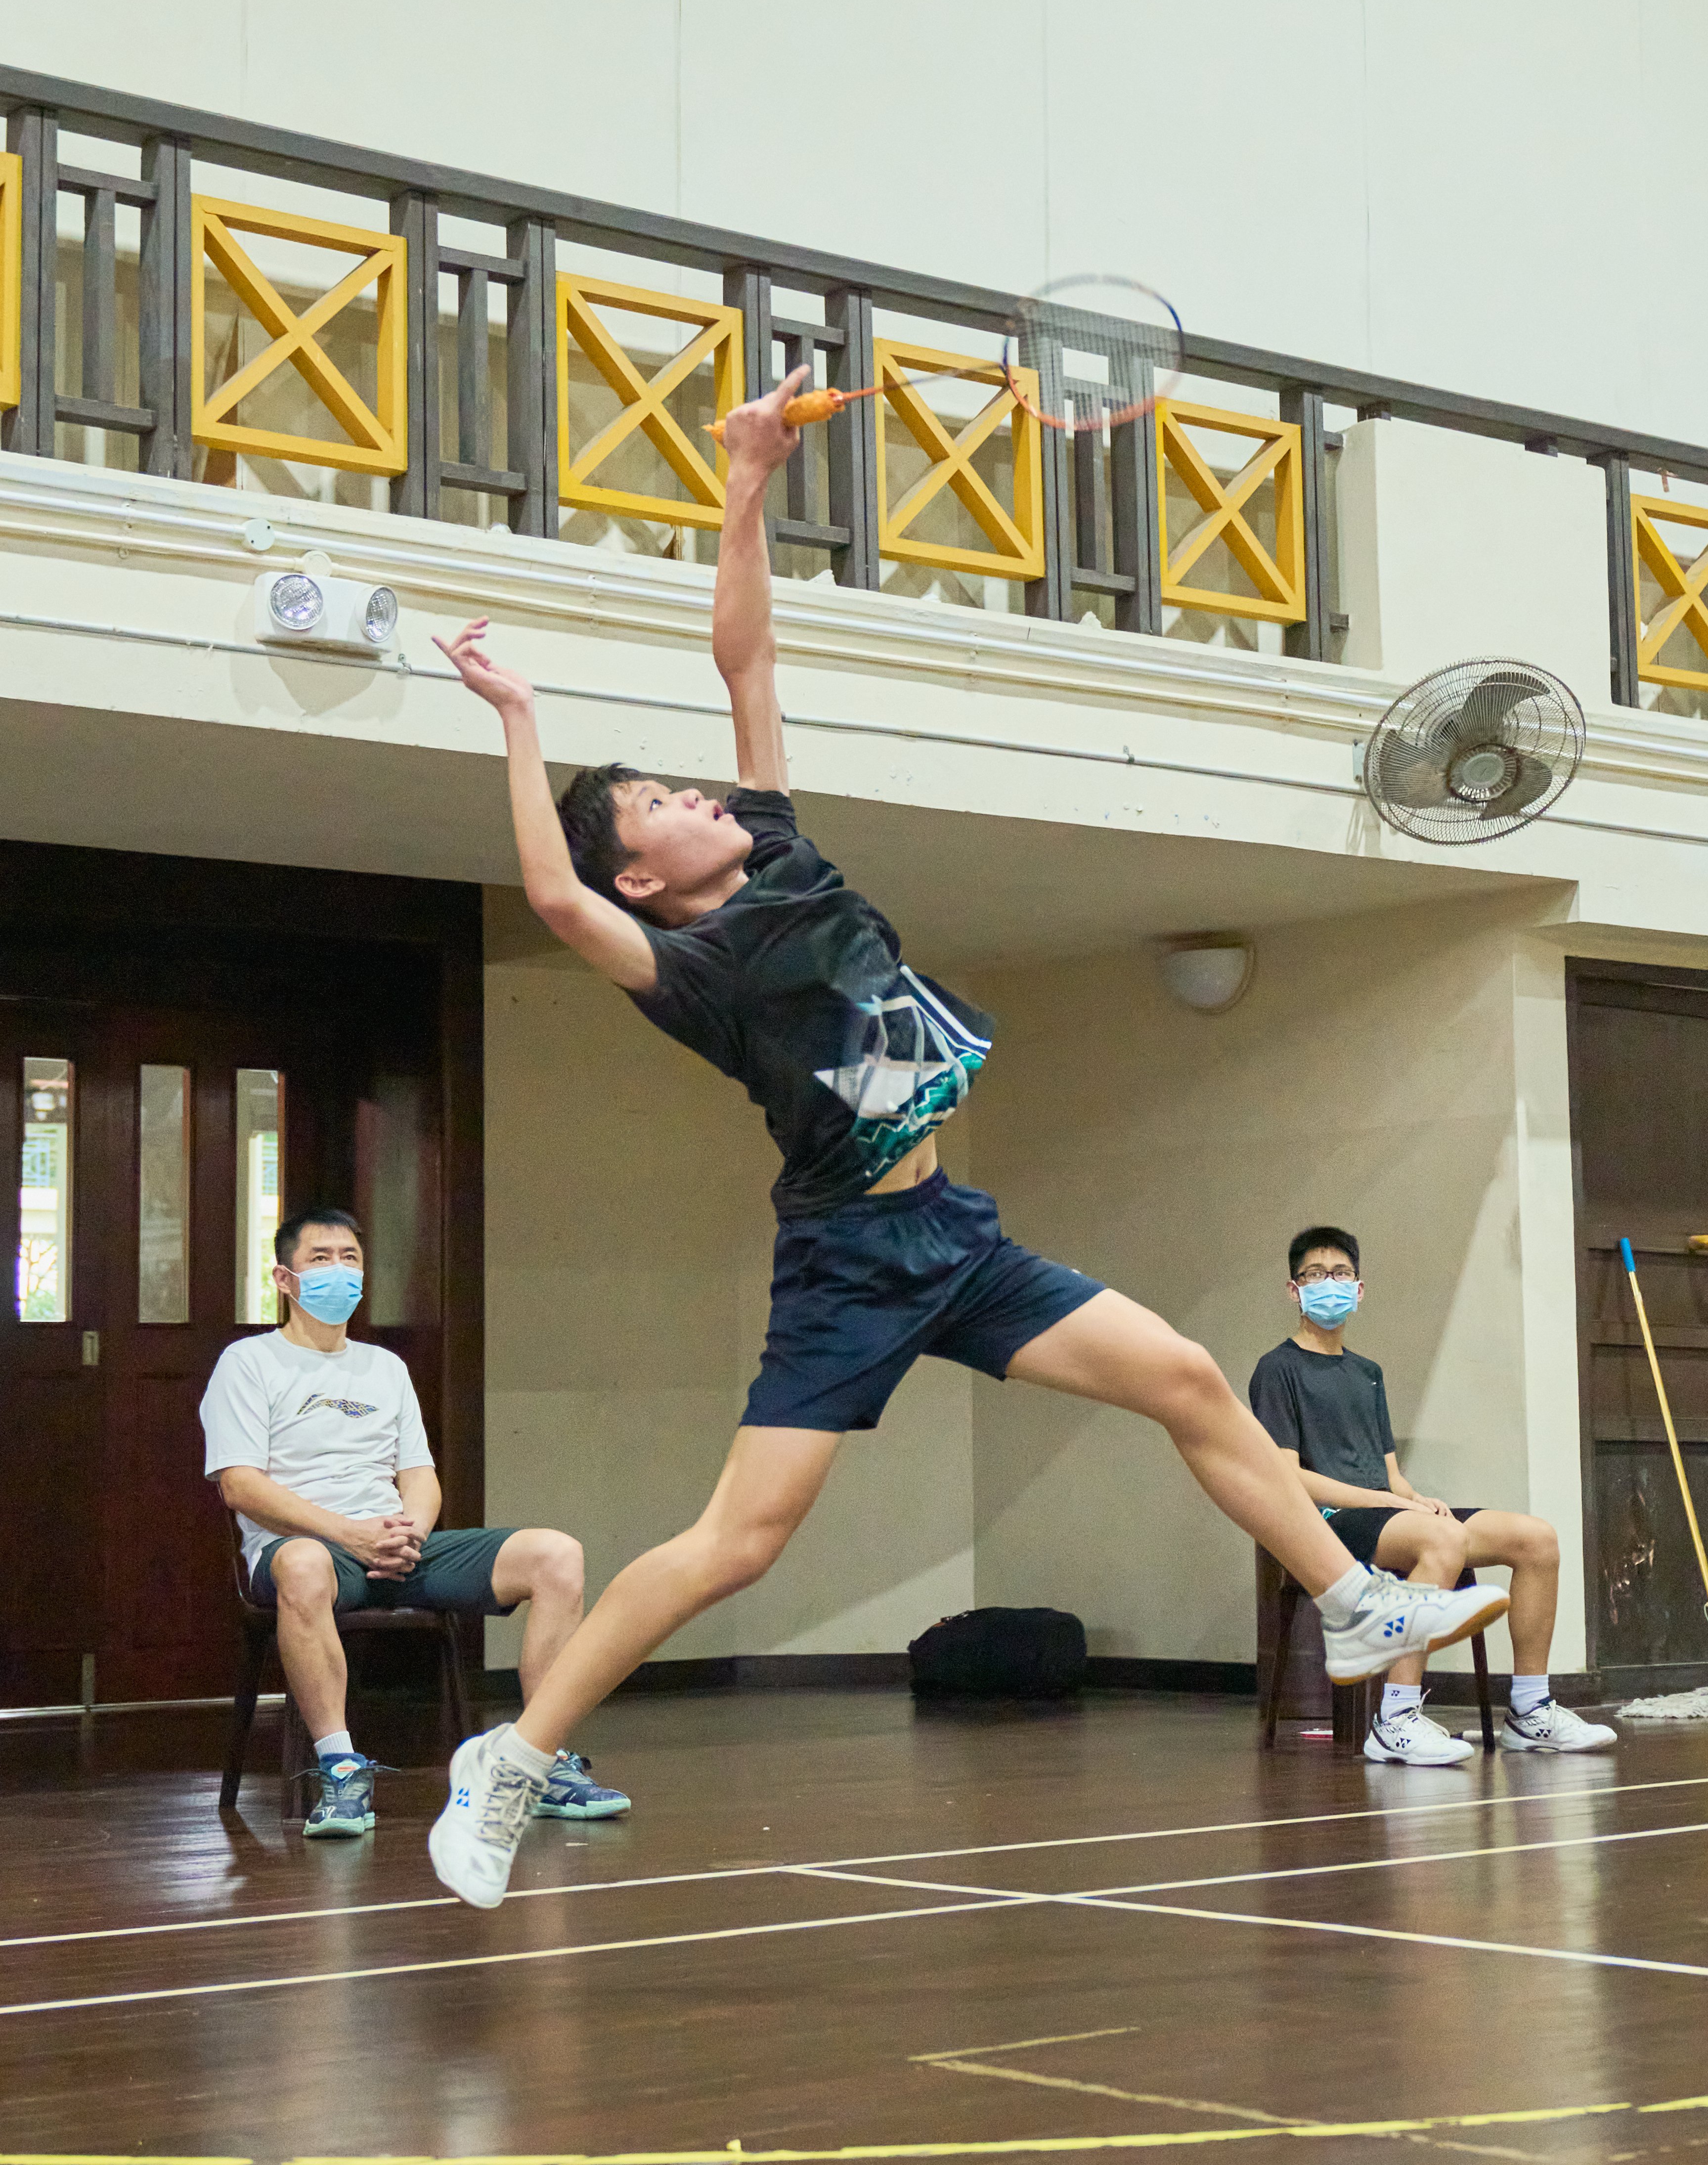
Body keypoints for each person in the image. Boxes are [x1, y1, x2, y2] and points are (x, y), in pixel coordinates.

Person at [425, 365, 1510, 1908]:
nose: (695, 790)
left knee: (1193, 1379)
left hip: (957, 1235)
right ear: (645, 879)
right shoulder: (693, 972)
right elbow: (548, 897)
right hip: (851, 1262)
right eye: (660, 799)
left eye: (682, 780)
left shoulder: (780, 847)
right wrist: (522, 724)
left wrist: (746, 477)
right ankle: (516, 1759)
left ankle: (1348, 1602)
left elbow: (748, 649)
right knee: (736, 1544)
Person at [199, 1206, 631, 1837]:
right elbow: (240, 1485)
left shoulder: (386, 1368)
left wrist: (411, 1535)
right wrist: (349, 1534)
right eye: (321, 1259)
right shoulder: (249, 1362)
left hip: (397, 1546)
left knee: (557, 1554)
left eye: (351, 1259)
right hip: (311, 1552)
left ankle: (537, 1762)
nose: (339, 1272)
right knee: (303, 1561)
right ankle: (341, 1770)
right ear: (285, 1279)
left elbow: (419, 1477)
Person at [1249, 1227, 1615, 1765]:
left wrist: (1415, 1500)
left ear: (1360, 1288)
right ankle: (1394, 1720)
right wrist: (1390, 1506)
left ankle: (1530, 1710)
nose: (1330, 1284)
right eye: (1315, 1275)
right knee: (1441, 1542)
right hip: (1327, 1524)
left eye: (1341, 1274)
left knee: (1535, 1539)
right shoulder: (1277, 1369)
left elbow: (1390, 1476)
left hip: (1384, 1514)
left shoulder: (1366, 1374)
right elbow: (1287, 1478)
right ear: (1293, 1289)